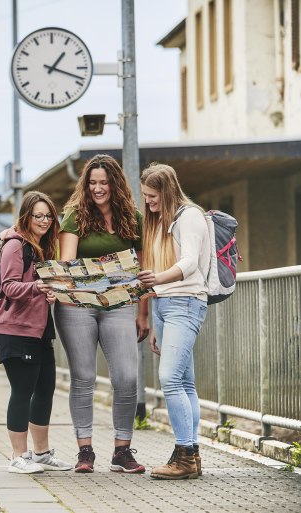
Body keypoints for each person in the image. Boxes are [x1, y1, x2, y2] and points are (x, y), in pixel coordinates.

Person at [55, 154, 149, 474]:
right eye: (93, 183)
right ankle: (85, 451)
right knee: (83, 378)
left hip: (120, 305)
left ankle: (122, 451)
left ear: (115, 184)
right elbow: (68, 264)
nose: (98, 188)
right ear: (86, 185)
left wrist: (143, 314)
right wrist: (102, 273)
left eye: (104, 183)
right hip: (77, 306)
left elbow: (143, 269)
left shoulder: (133, 218)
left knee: (126, 377)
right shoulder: (74, 216)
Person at [137, 163, 210, 480]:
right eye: (145, 196)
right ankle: (190, 455)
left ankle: (183, 457)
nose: (148, 201)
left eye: (152, 196)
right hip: (164, 305)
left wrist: (157, 279)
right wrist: (155, 321)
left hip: (185, 302)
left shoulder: (190, 216)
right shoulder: (160, 222)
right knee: (185, 382)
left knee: (169, 379)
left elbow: (190, 263)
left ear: (166, 191)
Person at [0, 191, 73, 474]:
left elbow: (34, 286)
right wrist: (36, 287)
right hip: (15, 329)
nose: (44, 221)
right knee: (22, 391)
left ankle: (41, 454)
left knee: (45, 389)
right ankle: (18, 456)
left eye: (49, 216)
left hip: (38, 329)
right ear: (26, 217)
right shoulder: (15, 246)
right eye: (38, 216)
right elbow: (8, 286)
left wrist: (47, 293)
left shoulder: (41, 247)